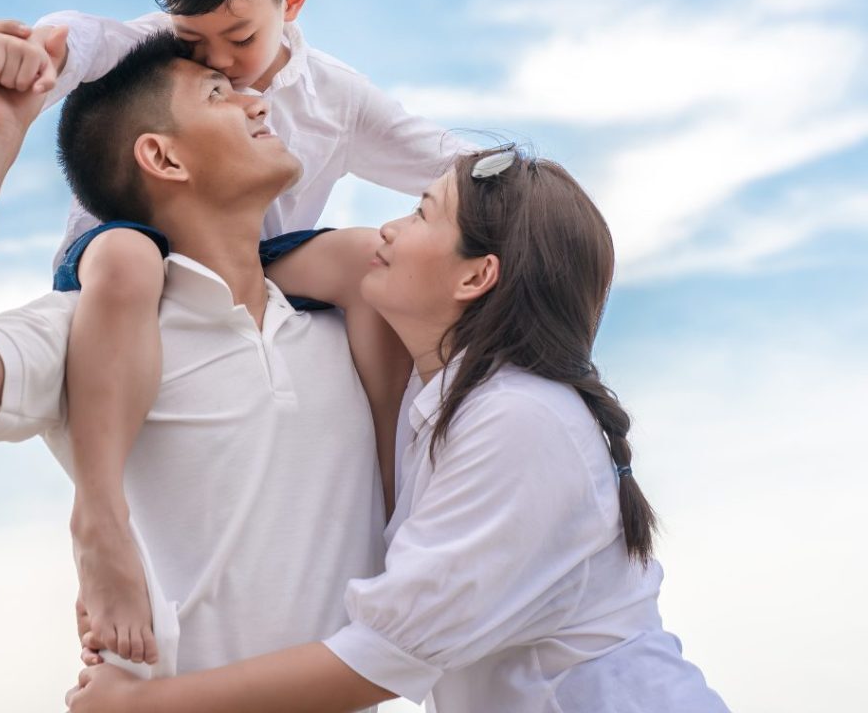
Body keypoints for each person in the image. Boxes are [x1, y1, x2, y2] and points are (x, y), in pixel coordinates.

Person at [0, 0, 462, 664]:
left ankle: (392, 501)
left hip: (256, 265)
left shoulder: (335, 97)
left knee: (362, 263)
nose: (221, 64)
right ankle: (98, 516)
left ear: (292, 1)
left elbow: (435, 156)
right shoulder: (161, 51)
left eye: (240, 36)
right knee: (132, 258)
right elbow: (82, 34)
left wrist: (521, 181)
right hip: (125, 255)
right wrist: (33, 51)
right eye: (194, 39)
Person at [65, 147, 732, 713]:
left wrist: (142, 703)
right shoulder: (446, 400)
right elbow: (249, 270)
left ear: (476, 275)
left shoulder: (519, 420)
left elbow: (382, 657)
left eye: (420, 214)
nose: (387, 228)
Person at [0, 27, 386, 702]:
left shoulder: (343, 321)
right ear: (162, 157)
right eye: (219, 94)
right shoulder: (99, 329)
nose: (257, 103)